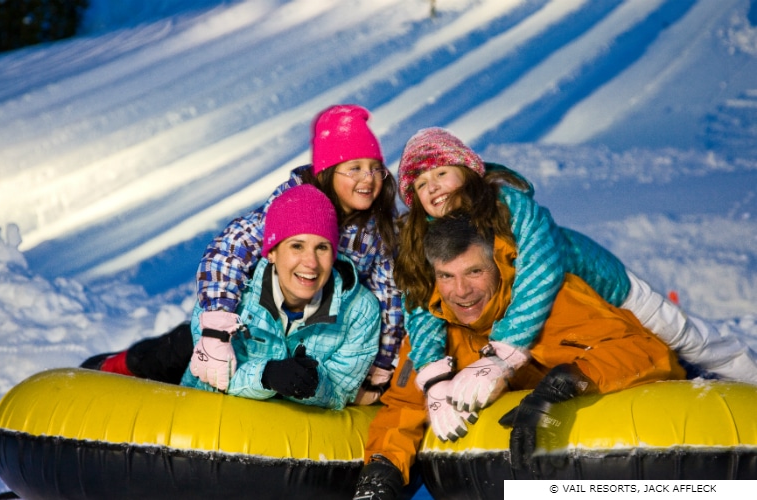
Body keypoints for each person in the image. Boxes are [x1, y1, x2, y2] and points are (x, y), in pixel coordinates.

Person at [395, 127, 757, 418]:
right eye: (421, 185)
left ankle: (748, 380)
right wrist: (434, 378)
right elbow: (422, 307)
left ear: (468, 173)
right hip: (565, 308)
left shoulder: (512, 209)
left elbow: (539, 274)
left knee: (689, 339)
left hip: (607, 286)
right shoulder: (427, 240)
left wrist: (500, 357)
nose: (434, 188)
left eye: (441, 174)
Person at [81, 104, 403, 404]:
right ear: (327, 171)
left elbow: (388, 295)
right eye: (355, 168)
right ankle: (114, 368)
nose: (368, 179)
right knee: (177, 349)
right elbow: (229, 252)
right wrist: (218, 323)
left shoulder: (376, 230)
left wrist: (381, 366)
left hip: (315, 323)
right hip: (252, 316)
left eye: (376, 168)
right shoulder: (291, 206)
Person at [352, 214, 686, 498]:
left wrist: (566, 382)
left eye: (474, 272)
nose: (461, 292)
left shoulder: (553, 303)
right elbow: (404, 408)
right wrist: (382, 471)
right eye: (446, 276)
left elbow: (647, 352)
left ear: (497, 266)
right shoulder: (434, 334)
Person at [180, 184, 380, 409]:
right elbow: (208, 377)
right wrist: (267, 376)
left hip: (295, 438)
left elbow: (340, 392)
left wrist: (313, 384)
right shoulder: (227, 296)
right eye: (297, 246)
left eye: (322, 248)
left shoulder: (359, 310)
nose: (311, 262)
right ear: (272, 252)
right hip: (212, 426)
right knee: (169, 350)